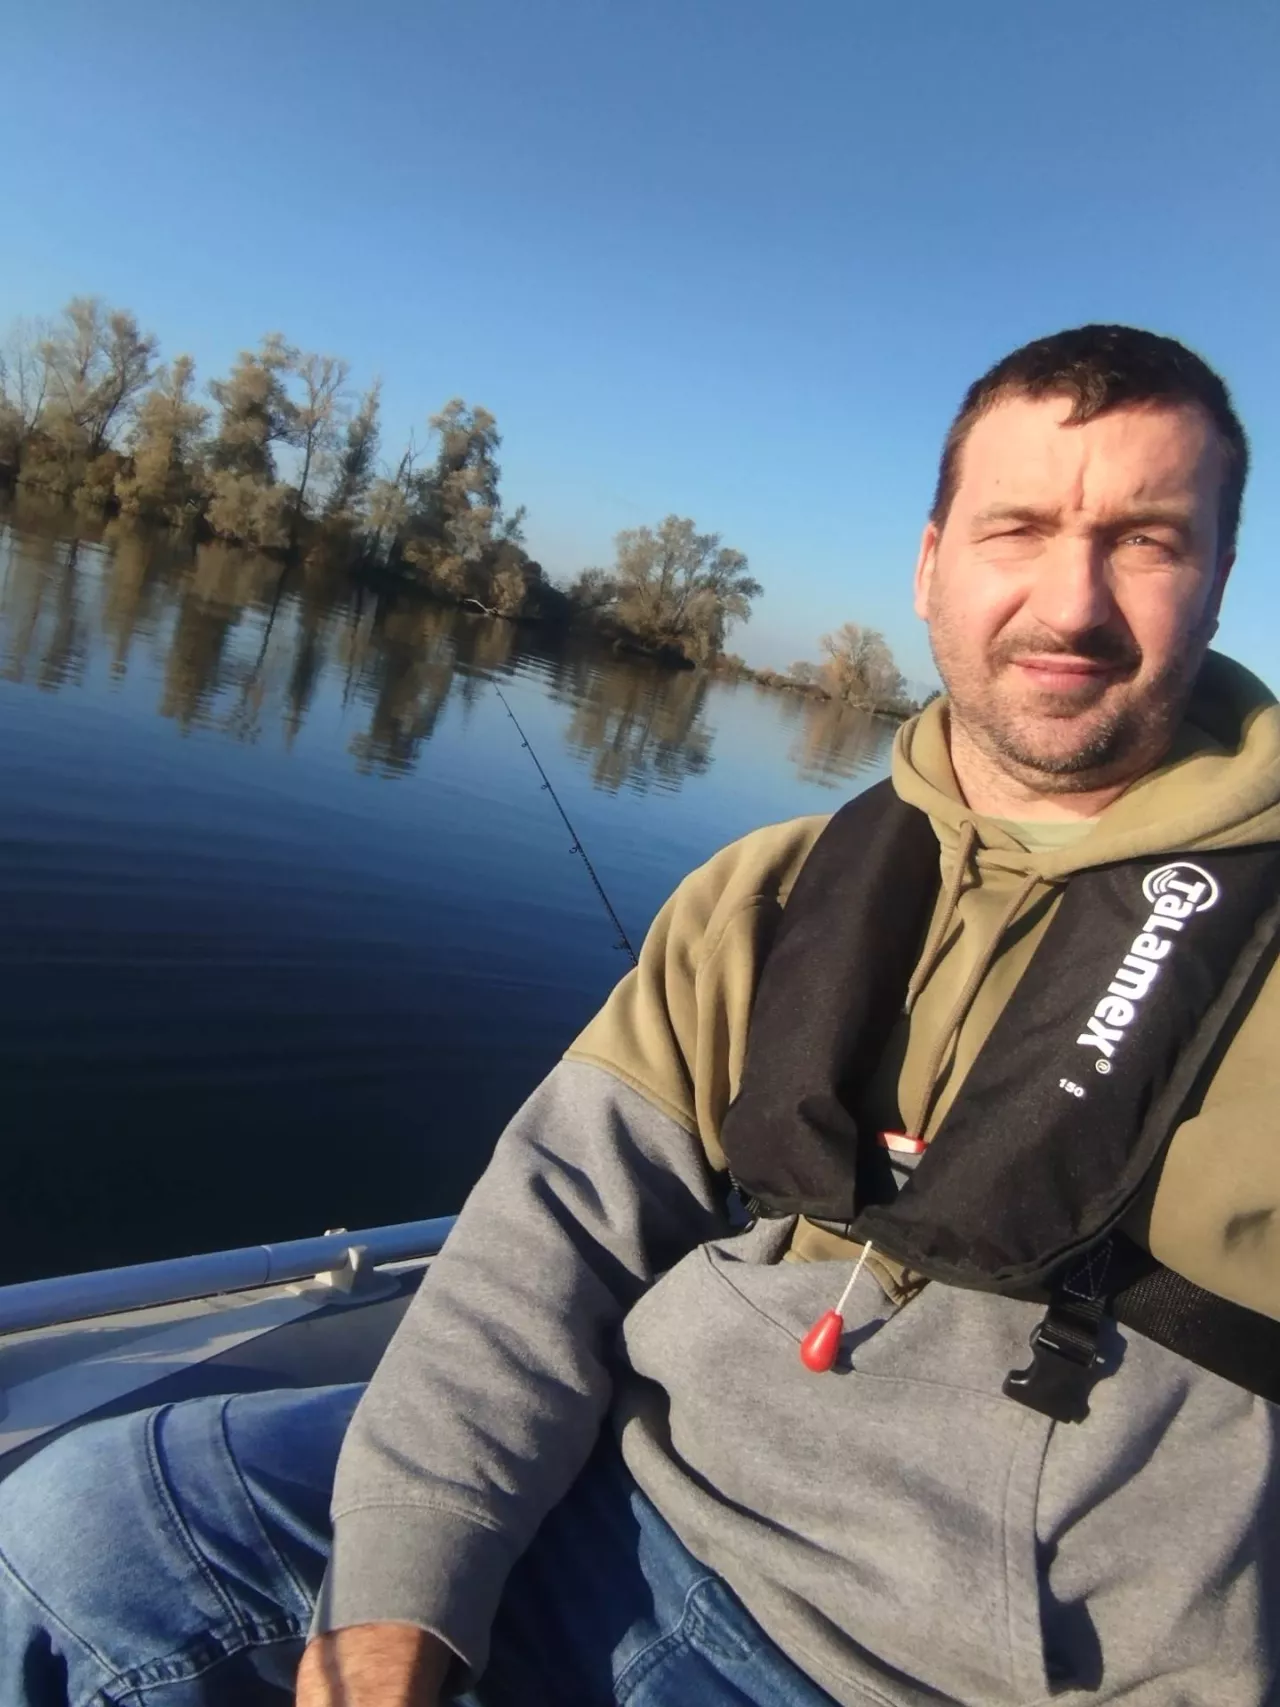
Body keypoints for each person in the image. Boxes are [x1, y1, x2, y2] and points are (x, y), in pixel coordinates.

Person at [3, 323, 1277, 1707]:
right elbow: (540, 1247)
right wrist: (397, 1610)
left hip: (907, 1671)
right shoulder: (774, 888)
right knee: (75, 1532)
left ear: (1217, 580)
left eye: (1145, 541)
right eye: (1016, 528)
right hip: (627, 1491)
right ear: (931, 566)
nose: (1071, 602)